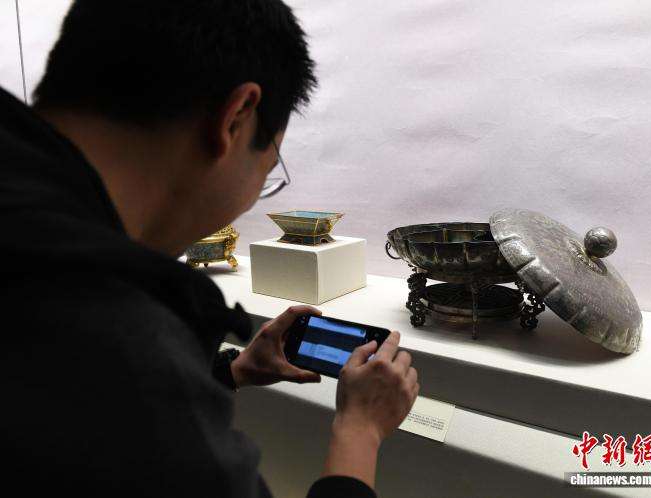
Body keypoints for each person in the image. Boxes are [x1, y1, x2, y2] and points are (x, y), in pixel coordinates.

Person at [0, 1, 419, 497]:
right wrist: (360, 431)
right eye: (267, 172)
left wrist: (229, 371)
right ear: (236, 117)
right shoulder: (125, 348)